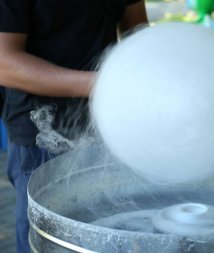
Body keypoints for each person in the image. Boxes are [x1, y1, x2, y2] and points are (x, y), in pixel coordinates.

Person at [0, 1, 148, 252]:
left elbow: (138, 30)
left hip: (111, 130)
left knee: (109, 237)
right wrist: (100, 84)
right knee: (48, 241)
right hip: (43, 138)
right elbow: (4, 63)